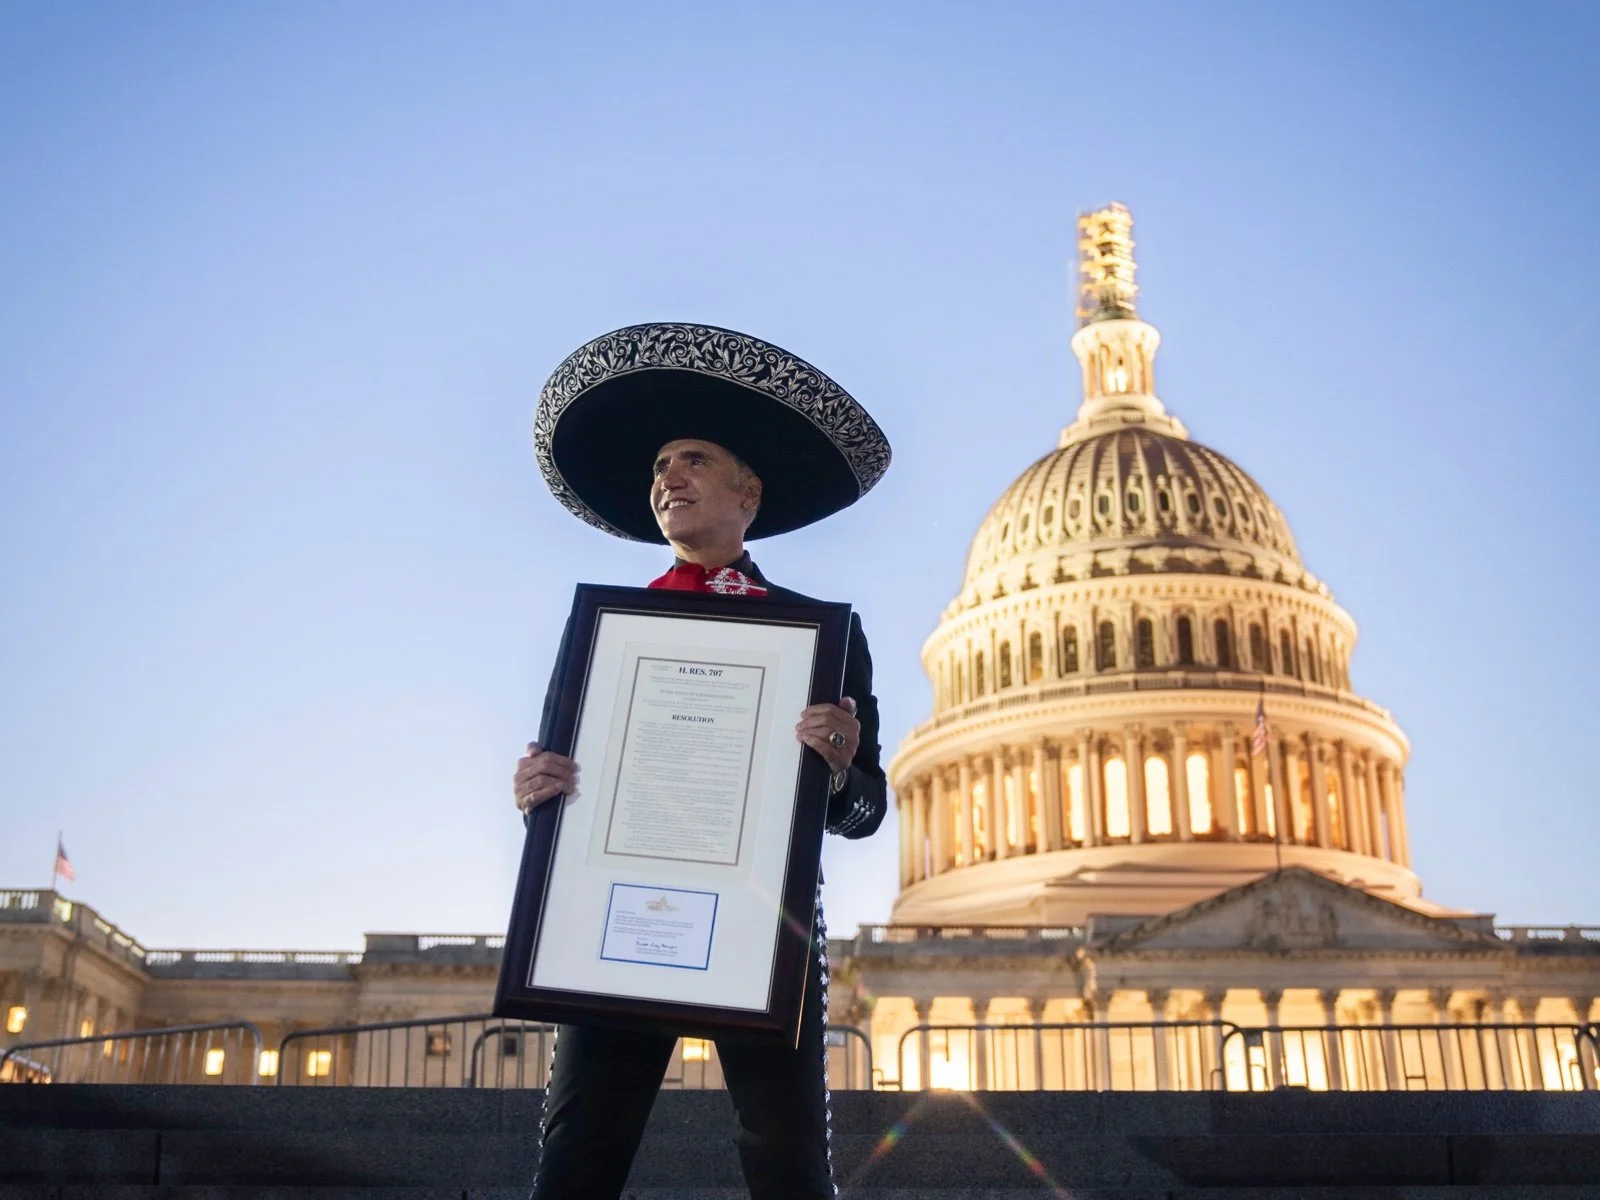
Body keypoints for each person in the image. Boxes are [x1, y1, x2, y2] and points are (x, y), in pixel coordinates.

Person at [513, 323, 892, 1200]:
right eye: (656, 469)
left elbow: (865, 811)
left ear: (747, 491)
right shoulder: (602, 634)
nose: (666, 480)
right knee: (575, 1163)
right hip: (614, 920)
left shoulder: (826, 637)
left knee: (789, 1166)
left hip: (768, 927)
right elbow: (558, 781)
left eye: (690, 460)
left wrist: (837, 767)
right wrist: (536, 793)